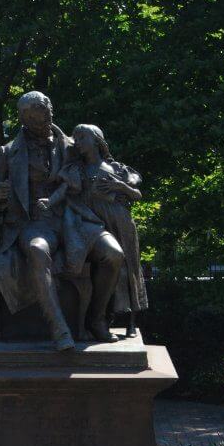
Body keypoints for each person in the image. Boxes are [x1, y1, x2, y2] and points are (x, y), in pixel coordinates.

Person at [0, 92, 125, 350]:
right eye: (38, 123)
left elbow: (106, 165)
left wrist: (123, 188)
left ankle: (96, 320)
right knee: (38, 250)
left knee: (114, 254)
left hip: (76, 218)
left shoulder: (74, 146)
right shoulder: (7, 153)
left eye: (48, 118)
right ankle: (59, 329)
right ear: (24, 121)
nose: (45, 126)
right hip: (34, 223)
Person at [59, 124, 148, 336]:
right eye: (76, 138)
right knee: (108, 265)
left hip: (120, 222)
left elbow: (137, 194)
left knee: (129, 268)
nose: (78, 142)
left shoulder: (115, 168)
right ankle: (100, 318)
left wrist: (122, 187)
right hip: (92, 223)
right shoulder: (76, 169)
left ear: (97, 141)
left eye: (83, 138)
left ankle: (131, 321)